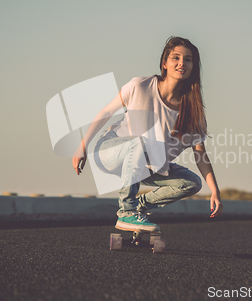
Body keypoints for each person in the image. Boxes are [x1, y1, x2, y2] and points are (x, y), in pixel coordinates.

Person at [72, 36, 223, 232]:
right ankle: (126, 211)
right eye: (175, 58)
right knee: (140, 143)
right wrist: (82, 147)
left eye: (188, 59)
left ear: (194, 66)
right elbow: (107, 112)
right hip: (110, 150)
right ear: (164, 63)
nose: (181, 63)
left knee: (191, 183)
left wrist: (215, 191)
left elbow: (200, 154)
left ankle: (138, 207)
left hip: (145, 167)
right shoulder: (140, 86)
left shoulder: (193, 113)